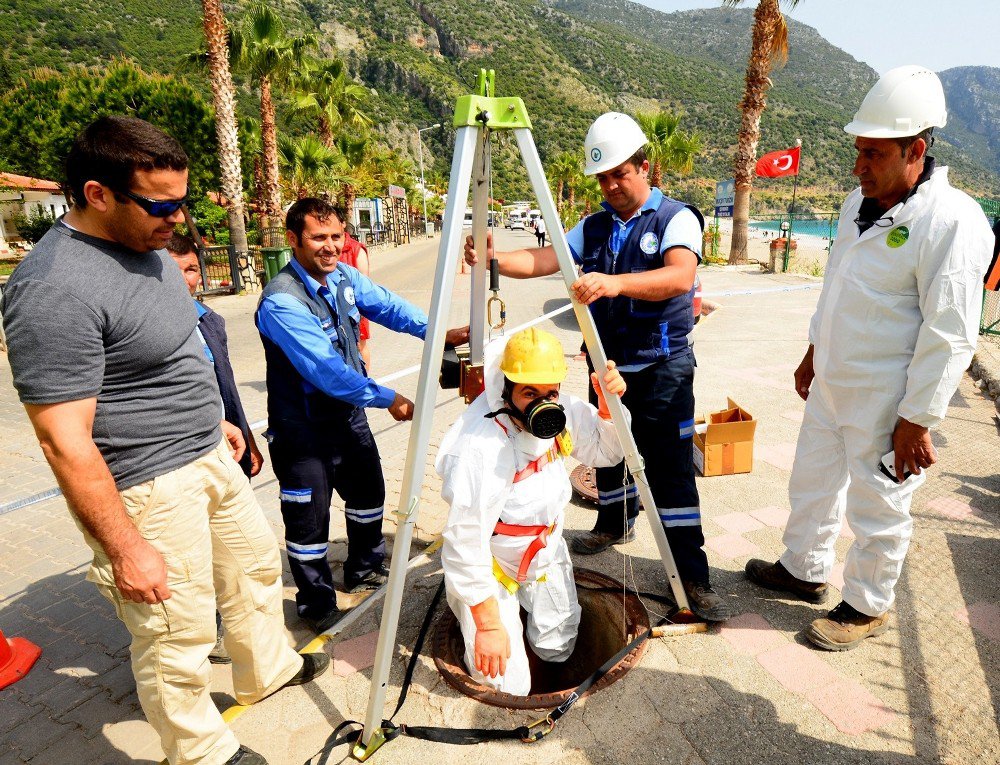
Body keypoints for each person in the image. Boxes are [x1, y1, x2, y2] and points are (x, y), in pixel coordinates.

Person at [1, 116, 320, 765]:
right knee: (177, 629)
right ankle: (199, 749)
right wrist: (125, 547)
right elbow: (64, 441)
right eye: (162, 204)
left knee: (255, 568)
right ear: (97, 194)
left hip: (208, 450)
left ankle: (266, 669)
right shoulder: (51, 289)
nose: (178, 218)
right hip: (146, 484)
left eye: (183, 201)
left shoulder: (147, 245)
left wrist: (217, 418)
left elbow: (174, 348)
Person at [745, 66, 994, 651]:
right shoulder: (859, 201)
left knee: (878, 502)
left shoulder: (953, 222)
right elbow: (835, 283)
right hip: (833, 382)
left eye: (874, 154)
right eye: (859, 151)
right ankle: (802, 569)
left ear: (917, 150)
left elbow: (951, 333)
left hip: (887, 400)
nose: (859, 165)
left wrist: (918, 420)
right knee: (811, 481)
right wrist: (813, 351)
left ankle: (866, 603)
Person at [465, 112, 729, 623]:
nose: (610, 186)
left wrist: (613, 283)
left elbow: (679, 276)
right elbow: (547, 260)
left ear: (644, 167)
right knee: (605, 449)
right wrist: (495, 259)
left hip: (662, 367)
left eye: (619, 175)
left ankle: (692, 574)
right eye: (603, 178)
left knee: (670, 468)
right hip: (604, 364)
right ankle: (614, 521)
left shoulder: (676, 218)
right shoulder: (595, 226)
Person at [255, 197, 467, 634]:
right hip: (303, 431)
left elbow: (388, 306)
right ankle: (315, 603)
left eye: (337, 236)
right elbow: (327, 372)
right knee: (308, 521)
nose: (331, 247)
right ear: (293, 240)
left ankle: (365, 569)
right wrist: (388, 397)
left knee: (368, 494)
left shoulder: (344, 277)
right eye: (319, 238)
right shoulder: (282, 303)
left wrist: (435, 331)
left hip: (347, 419)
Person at [437, 328, 628, 694]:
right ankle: (487, 633)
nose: (544, 404)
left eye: (550, 392)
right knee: (504, 683)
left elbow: (607, 453)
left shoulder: (561, 411)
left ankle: (546, 666)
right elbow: (463, 544)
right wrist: (489, 624)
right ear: (506, 390)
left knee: (558, 644)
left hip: (546, 552)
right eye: (530, 394)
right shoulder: (483, 447)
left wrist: (608, 413)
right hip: (492, 570)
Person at [167, 233, 264, 667]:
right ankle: (194, 642)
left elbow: (225, 390)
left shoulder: (208, 320)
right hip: (175, 463)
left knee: (236, 551)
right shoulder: (143, 331)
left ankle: (236, 638)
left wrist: (247, 438)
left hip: (225, 447)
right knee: (188, 561)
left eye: (190, 269)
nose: (185, 280)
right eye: (173, 269)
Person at [338, 229, 373, 367]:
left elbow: (364, 286)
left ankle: (365, 377)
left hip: (354, 306)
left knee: (360, 344)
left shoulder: (356, 249)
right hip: (335, 308)